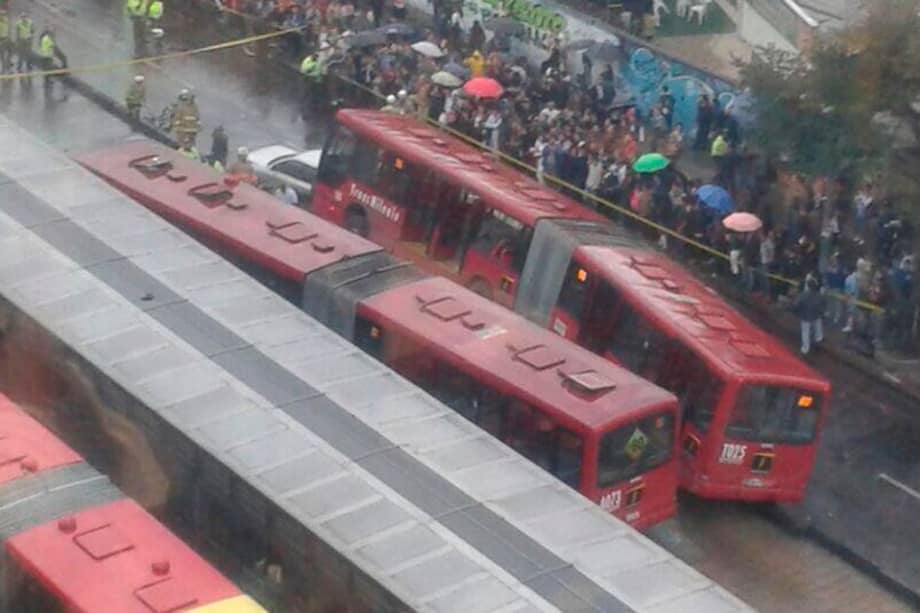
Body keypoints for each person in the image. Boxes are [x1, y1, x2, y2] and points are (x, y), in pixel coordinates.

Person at [796, 274, 825, 355]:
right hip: (816, 316)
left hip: (806, 316)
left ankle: (805, 350)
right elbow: (823, 304)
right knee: (818, 331)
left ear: (808, 286)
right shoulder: (820, 295)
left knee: (805, 332)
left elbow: (797, 304)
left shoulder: (804, 295)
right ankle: (818, 342)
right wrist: (822, 312)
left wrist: (797, 311)